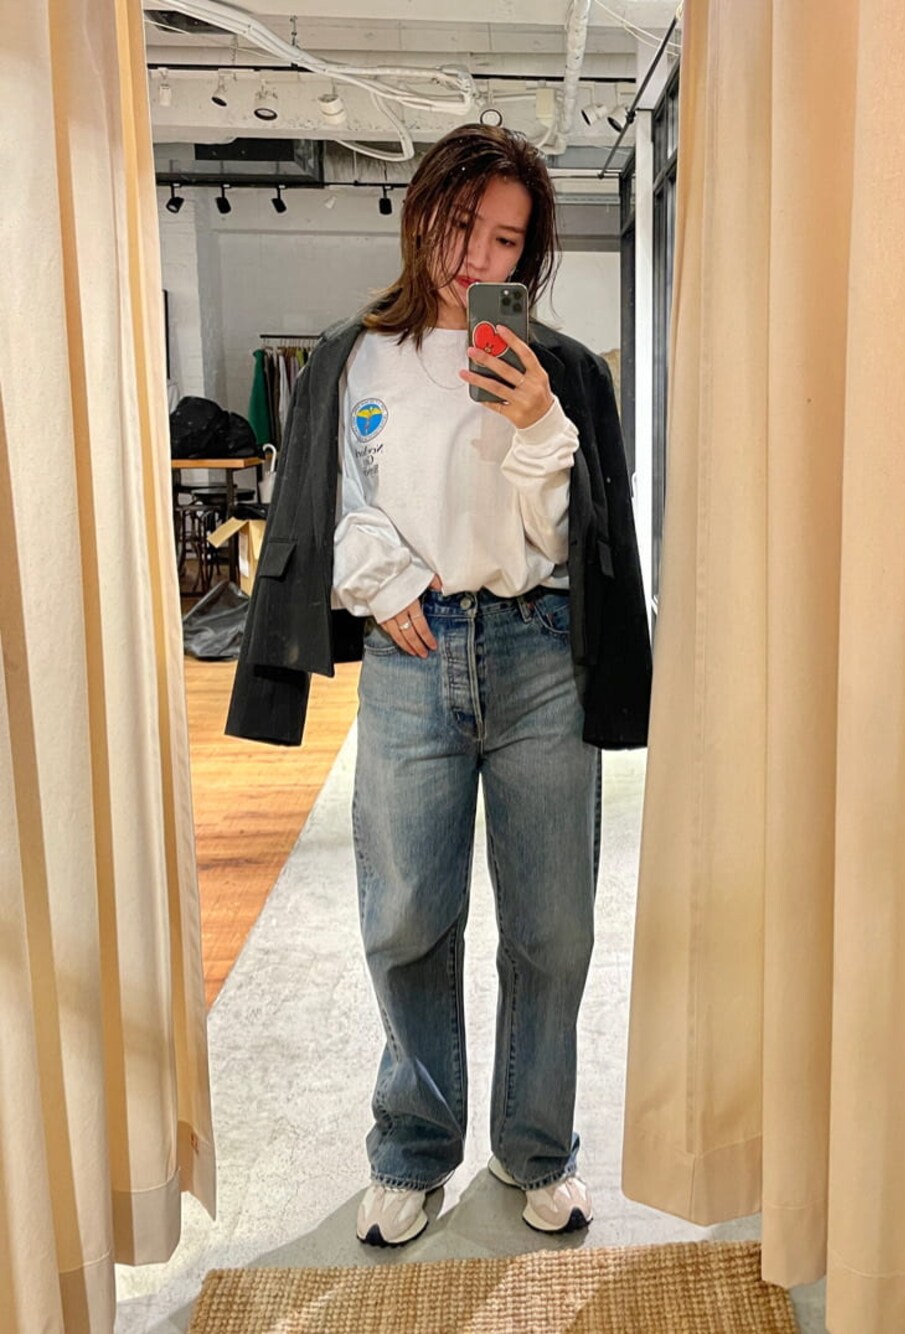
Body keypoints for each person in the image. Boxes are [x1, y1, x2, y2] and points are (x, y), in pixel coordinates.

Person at [225, 124, 652, 1248]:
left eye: (506, 239)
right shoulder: (352, 361)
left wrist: (538, 426)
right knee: (408, 914)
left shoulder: (558, 371)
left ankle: (536, 1147)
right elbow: (330, 505)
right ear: (423, 215)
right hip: (412, 658)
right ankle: (413, 1149)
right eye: (464, 226)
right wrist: (386, 579)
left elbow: (570, 541)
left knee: (552, 925)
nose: (477, 257)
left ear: (529, 254)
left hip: (541, 653)